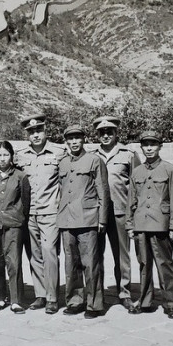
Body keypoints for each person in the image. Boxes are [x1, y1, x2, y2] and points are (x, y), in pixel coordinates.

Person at [126, 130, 173, 319]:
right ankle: (145, 301)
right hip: (141, 225)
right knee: (144, 265)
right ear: (141, 147)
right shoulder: (137, 172)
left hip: (161, 225)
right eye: (145, 145)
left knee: (165, 264)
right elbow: (131, 200)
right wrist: (129, 225)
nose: (149, 148)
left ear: (160, 146)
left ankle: (171, 304)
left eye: (153, 144)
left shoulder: (170, 169)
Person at [15, 113, 66, 314]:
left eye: (38, 130)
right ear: (27, 135)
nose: (35, 135)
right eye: (31, 132)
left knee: (49, 253)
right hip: (29, 213)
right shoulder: (20, 155)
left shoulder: (59, 152)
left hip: (50, 212)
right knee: (34, 255)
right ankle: (40, 294)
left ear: (45, 131)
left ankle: (53, 297)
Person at [58, 125, 110, 319]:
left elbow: (103, 191)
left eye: (77, 138)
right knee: (71, 264)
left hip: (88, 219)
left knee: (90, 264)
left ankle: (94, 304)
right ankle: (74, 301)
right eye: (70, 139)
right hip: (66, 219)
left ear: (84, 140)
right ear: (66, 141)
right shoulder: (62, 163)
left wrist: (102, 219)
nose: (73, 142)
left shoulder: (94, 160)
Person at [90, 116, 141, 311]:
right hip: (97, 214)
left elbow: (137, 184)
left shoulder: (128, 154)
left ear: (116, 133)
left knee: (122, 255)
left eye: (109, 132)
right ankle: (98, 293)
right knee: (96, 255)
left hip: (120, 212)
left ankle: (124, 293)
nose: (105, 135)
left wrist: (133, 212)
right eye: (102, 133)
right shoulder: (92, 154)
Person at [0, 141, 31, 314]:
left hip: (14, 224)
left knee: (14, 262)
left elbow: (25, 201)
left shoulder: (20, 176)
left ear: (11, 156)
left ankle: (16, 300)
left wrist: (17, 217)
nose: (2, 159)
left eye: (5, 155)